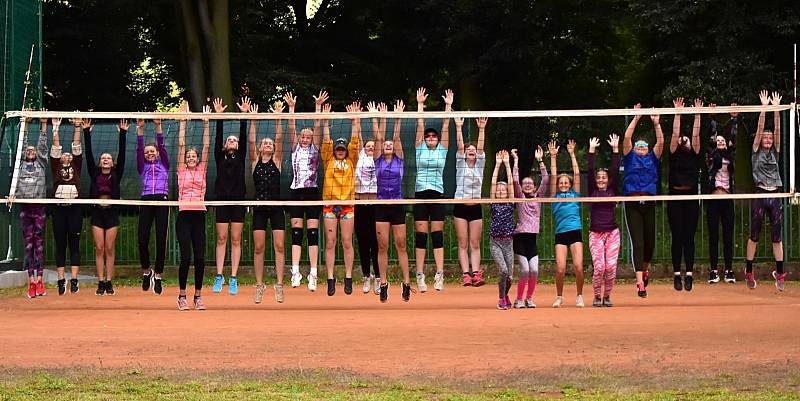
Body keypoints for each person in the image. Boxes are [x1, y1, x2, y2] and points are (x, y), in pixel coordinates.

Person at [622, 103, 664, 298]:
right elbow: (627, 137)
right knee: (637, 243)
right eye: (638, 146)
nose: (640, 148)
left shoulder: (652, 159)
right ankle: (640, 282)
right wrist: (637, 117)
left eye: (643, 146)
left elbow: (661, 143)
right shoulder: (629, 158)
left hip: (649, 203)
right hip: (632, 204)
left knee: (650, 244)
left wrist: (656, 124)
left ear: (647, 150)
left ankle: (644, 270)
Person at [287, 91, 327, 292]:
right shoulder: (295, 148)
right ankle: (295, 271)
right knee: (296, 233)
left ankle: (313, 273)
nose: (304, 138)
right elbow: (291, 127)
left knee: (312, 233)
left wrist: (318, 107)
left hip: (311, 192)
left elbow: (318, 129)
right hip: (296, 192)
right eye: (303, 136)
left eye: (308, 136)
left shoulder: (315, 149)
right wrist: (291, 109)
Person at [413, 87, 452, 292]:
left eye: (433, 137)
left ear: (437, 140)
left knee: (437, 234)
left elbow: (446, 127)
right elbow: (420, 126)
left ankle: (439, 274)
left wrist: (448, 106)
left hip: (437, 194)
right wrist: (420, 105)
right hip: (420, 193)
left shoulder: (442, 151)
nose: (430, 138)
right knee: (421, 235)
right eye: (428, 136)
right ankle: (419, 275)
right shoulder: (420, 149)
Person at [746, 90, 785, 291]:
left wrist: (776, 110)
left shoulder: (775, 151)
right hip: (760, 193)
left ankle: (779, 273)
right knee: (754, 234)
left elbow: (777, 131)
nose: (768, 140)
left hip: (775, 194)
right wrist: (764, 109)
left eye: (770, 138)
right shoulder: (755, 151)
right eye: (766, 138)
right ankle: (749, 270)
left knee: (777, 236)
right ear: (761, 140)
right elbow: (761, 129)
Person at [211, 97, 250, 295]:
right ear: (225, 145)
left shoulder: (241, 155)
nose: (232, 141)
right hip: (222, 200)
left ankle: (233, 277)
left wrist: (244, 116)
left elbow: (243, 136)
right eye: (230, 140)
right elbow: (217, 138)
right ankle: (219, 275)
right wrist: (219, 117)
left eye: (235, 140)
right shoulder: (219, 156)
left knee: (235, 239)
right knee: (222, 238)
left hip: (238, 200)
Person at [374, 100, 412, 303]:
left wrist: (397, 117)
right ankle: (383, 283)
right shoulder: (378, 159)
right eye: (385, 144)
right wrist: (380, 117)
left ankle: (406, 283)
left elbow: (395, 137)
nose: (388, 145)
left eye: (391, 144)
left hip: (397, 204)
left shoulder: (400, 159)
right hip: (381, 205)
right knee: (382, 246)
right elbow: (379, 137)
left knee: (401, 245)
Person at [250, 100, 287, 303]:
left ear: (273, 149)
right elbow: (251, 141)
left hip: (276, 207)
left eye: (270, 144)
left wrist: (279, 117)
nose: (267, 145)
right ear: (260, 148)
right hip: (259, 208)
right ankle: (259, 284)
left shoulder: (277, 161)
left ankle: (279, 284)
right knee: (258, 247)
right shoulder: (255, 162)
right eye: (264, 143)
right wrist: (253, 120)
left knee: (280, 245)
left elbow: (280, 138)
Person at [85, 118, 127, 296]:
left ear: (113, 162)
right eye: (103, 158)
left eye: (108, 158)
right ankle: (100, 281)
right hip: (97, 213)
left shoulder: (117, 174)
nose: (105, 160)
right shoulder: (94, 173)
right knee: (99, 248)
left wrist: (123, 134)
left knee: (110, 248)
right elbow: (88, 155)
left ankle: (109, 281)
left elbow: (123, 155)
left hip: (111, 214)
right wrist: (86, 132)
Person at [322, 101, 360, 296]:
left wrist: (355, 120)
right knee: (330, 242)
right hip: (329, 205)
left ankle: (348, 277)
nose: (340, 150)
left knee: (346, 241)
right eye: (338, 148)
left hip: (347, 206)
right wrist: (325, 119)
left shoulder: (351, 160)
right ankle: (330, 278)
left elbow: (355, 143)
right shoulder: (328, 159)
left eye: (342, 149)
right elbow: (327, 141)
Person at [176, 103, 211, 310]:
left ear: (197, 160)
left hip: (199, 215)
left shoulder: (202, 170)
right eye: (188, 156)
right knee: (186, 257)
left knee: (199, 258)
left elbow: (206, 147)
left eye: (193, 156)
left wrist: (206, 124)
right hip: (184, 215)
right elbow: (180, 145)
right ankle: (182, 296)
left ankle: (198, 296)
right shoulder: (181, 170)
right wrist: (183, 121)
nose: (190, 158)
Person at [667, 98, 702, 291]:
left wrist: (698, 114)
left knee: (689, 237)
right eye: (682, 138)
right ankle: (676, 275)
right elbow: (674, 134)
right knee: (677, 237)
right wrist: (677, 113)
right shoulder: (674, 153)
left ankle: (689, 274)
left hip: (690, 199)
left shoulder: (694, 153)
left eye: (686, 138)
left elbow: (696, 135)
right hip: (675, 198)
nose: (684, 139)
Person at [15, 113, 49, 298]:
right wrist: (25, 126)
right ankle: (31, 283)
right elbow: (21, 144)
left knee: (40, 245)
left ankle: (41, 281)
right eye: (28, 150)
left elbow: (43, 147)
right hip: (25, 210)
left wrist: (44, 125)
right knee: (28, 246)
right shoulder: (19, 164)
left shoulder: (41, 164)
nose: (30, 151)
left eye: (32, 150)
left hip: (39, 209)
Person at [706, 102, 740, 284]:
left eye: (723, 141)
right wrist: (712, 117)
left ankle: (728, 269)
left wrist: (734, 119)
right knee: (713, 235)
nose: (720, 142)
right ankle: (713, 270)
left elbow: (733, 138)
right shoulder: (711, 155)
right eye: (718, 140)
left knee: (727, 234)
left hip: (727, 197)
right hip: (713, 197)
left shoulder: (730, 155)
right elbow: (712, 137)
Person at [510, 146, 548, 308]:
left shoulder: (538, 197)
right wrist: (516, 160)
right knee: (525, 270)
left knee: (535, 270)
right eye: (524, 183)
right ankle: (518, 299)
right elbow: (514, 179)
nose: (526, 185)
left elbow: (545, 179)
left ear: (534, 186)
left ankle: (529, 298)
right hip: (520, 237)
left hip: (532, 239)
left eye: (530, 183)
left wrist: (540, 160)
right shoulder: (519, 197)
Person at [548, 139, 585, 308]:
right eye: (561, 183)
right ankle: (559, 296)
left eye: (566, 182)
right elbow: (553, 175)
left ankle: (579, 295)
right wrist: (553, 157)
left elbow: (577, 174)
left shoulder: (575, 195)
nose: (563, 184)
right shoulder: (554, 196)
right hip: (561, 234)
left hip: (575, 231)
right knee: (561, 269)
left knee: (578, 266)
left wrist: (572, 154)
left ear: (570, 185)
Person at [136, 116, 170, 295]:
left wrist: (158, 126)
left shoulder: (164, 164)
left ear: (157, 153)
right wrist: (140, 130)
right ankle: (146, 271)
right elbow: (139, 148)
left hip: (162, 199)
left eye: (152, 151)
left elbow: (162, 146)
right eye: (147, 152)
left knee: (161, 239)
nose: (149, 154)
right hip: (147, 200)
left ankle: (158, 274)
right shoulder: (142, 167)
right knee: (142, 238)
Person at [453, 116, 488, 286]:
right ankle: (466, 274)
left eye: (474, 149)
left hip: (475, 208)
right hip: (460, 206)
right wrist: (458, 127)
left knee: (475, 243)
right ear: (465, 153)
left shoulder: (480, 165)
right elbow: (460, 146)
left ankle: (476, 274)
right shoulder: (461, 164)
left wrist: (481, 128)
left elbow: (481, 148)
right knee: (463, 242)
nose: (472, 150)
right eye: (469, 149)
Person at [50, 117, 83, 295]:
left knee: (74, 243)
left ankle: (74, 280)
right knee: (60, 244)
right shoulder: (55, 167)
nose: (67, 155)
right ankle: (61, 280)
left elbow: (77, 148)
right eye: (64, 154)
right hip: (59, 208)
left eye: (69, 154)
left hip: (75, 208)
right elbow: (56, 148)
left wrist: (77, 126)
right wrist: (55, 127)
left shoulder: (76, 166)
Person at [587, 134, 620, 307]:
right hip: (596, 233)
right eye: (598, 178)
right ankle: (596, 296)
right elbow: (590, 172)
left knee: (611, 267)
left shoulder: (613, 189)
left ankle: (607, 296)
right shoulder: (592, 190)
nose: (600, 180)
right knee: (599, 267)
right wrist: (592, 151)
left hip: (612, 233)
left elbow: (615, 169)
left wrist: (615, 149)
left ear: (608, 180)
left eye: (604, 178)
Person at [355, 101, 382, 295]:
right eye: (368, 146)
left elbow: (379, 139)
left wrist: (374, 117)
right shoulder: (360, 157)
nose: (371, 148)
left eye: (374, 146)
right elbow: (356, 139)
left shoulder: (378, 158)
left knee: (376, 242)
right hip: (359, 203)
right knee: (363, 241)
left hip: (375, 203)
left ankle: (379, 276)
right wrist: (356, 118)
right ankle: (366, 276)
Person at [490, 150, 515, 310]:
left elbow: (511, 184)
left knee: (510, 277)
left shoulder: (510, 203)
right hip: (495, 242)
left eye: (503, 190)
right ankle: (500, 298)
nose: (500, 192)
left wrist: (507, 164)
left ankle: (505, 294)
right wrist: (498, 164)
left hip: (509, 242)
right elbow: (493, 184)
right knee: (504, 271)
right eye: (498, 190)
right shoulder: (493, 203)